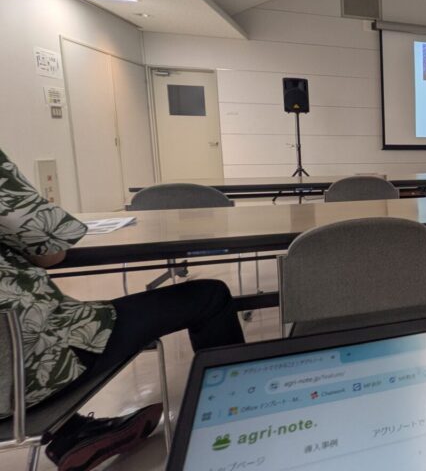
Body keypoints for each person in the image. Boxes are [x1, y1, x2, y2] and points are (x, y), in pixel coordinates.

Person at [0, 148, 245, 470]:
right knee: (210, 296)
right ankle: (237, 411)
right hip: (22, 367)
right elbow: (50, 251)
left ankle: (74, 433)